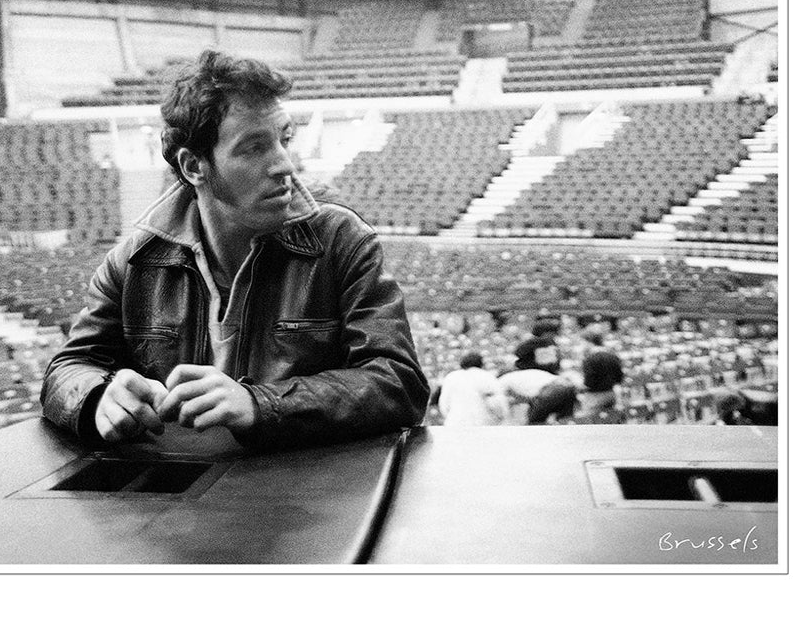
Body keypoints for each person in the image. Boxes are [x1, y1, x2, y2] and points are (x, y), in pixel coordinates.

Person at [40, 50, 429, 451]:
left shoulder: (341, 242)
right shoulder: (133, 262)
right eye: (254, 148)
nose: (285, 165)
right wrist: (98, 397)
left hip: (306, 481)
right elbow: (68, 369)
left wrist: (261, 404)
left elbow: (398, 382)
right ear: (194, 167)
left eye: (284, 140)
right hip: (178, 483)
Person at [437, 351, 509, 427]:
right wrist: (501, 417)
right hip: (481, 423)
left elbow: (444, 404)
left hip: (455, 423)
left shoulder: (451, 377)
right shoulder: (485, 376)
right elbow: (495, 403)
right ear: (481, 363)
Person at [580, 329, 624, 414]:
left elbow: (589, 382)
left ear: (589, 342)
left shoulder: (589, 359)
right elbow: (619, 377)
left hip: (594, 398)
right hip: (611, 394)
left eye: (583, 342)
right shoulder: (613, 356)